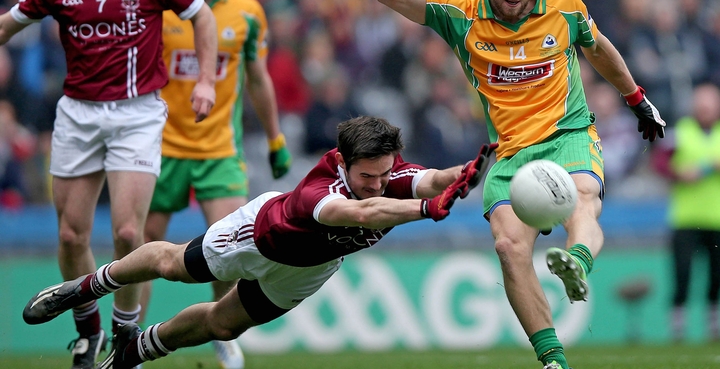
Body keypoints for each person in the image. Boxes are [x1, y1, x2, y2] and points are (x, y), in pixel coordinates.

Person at [371, 0, 665, 369]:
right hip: (510, 154)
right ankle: (553, 360)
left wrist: (636, 98)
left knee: (583, 197)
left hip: (568, 135)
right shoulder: (461, 14)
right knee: (509, 248)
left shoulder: (563, 4)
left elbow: (597, 48)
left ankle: (577, 262)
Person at [22, 116, 497, 369]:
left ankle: (133, 353)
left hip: (309, 269)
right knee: (172, 265)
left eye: (385, 174)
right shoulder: (321, 191)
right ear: (343, 163)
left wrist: (467, 173)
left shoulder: (388, 174)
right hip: (260, 236)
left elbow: (433, 179)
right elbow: (361, 213)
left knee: (223, 326)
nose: (378, 184)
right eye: (367, 177)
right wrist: (425, 210)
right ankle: (84, 288)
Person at [0, 0, 218, 367]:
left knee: (127, 233)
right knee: (70, 235)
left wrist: (206, 81)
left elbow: (202, 15)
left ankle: (125, 330)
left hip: (136, 114)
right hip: (78, 115)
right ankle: (88, 331)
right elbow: (7, 26)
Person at [139, 0, 291, 367]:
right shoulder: (162, 9)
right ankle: (129, 334)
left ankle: (220, 329)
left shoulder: (247, 12)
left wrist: (276, 138)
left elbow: (259, 79)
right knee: (141, 245)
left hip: (220, 150)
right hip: (161, 149)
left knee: (231, 246)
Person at [651, 83, 720, 342]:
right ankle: (678, 326)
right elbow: (659, 163)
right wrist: (680, 173)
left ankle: (715, 326)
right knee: (682, 272)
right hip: (686, 217)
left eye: (710, 105)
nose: (706, 110)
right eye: (702, 105)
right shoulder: (679, 134)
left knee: (718, 274)